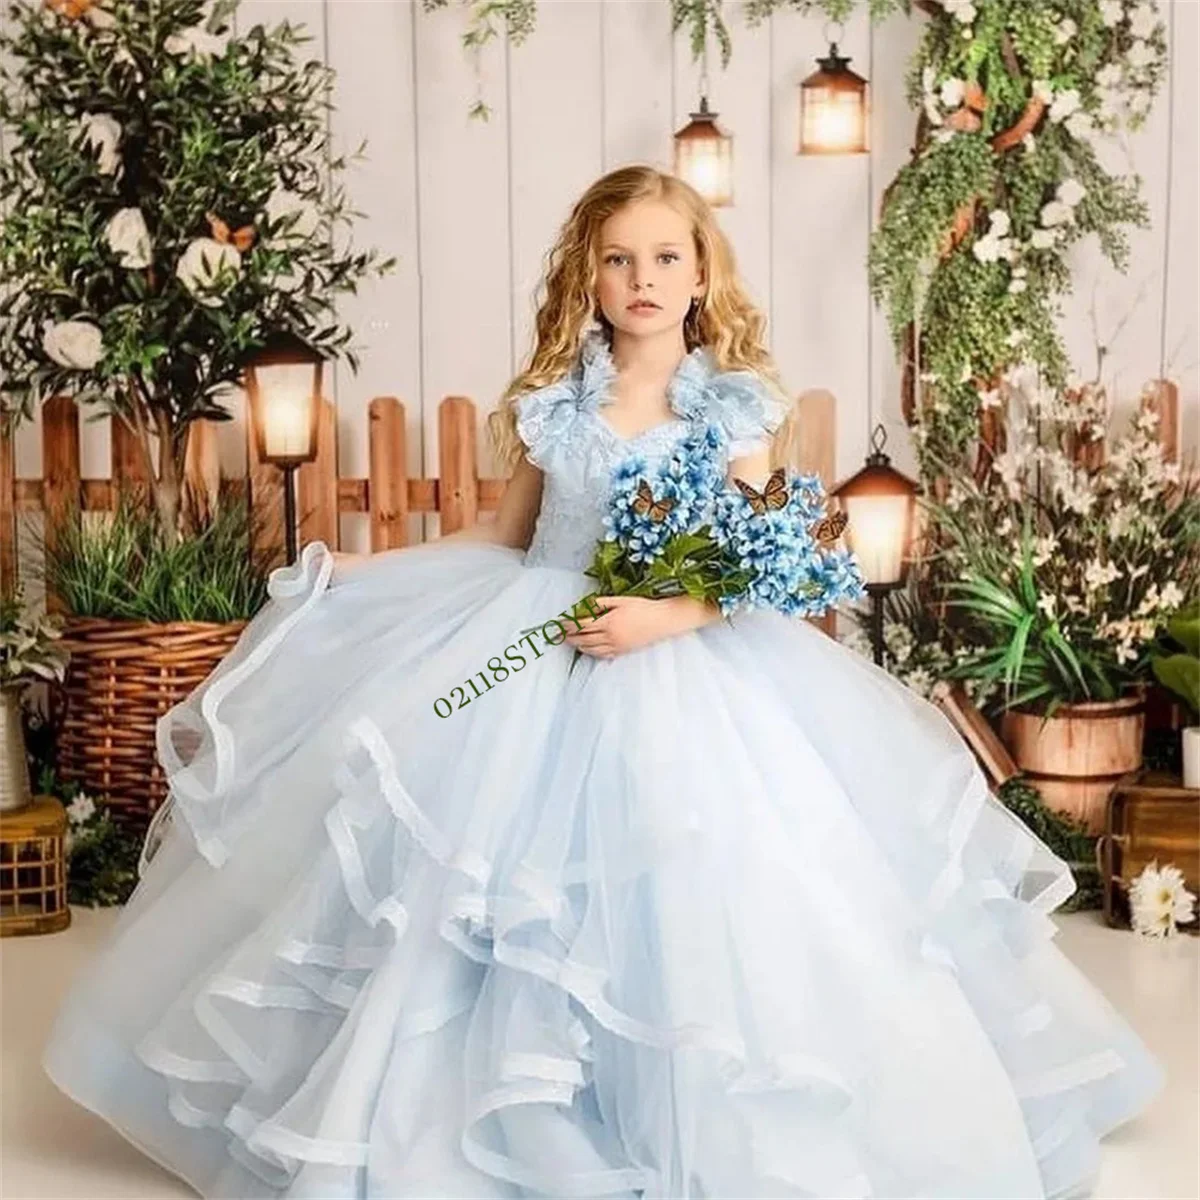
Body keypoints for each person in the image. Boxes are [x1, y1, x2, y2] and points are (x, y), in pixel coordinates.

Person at [43, 165, 1164, 1200]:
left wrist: (669, 614)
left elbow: (761, 562)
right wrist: (360, 574)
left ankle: (689, 1112)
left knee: (698, 880)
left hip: (689, 668)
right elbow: (509, 537)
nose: (643, 280)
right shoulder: (557, 402)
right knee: (477, 881)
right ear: (587, 274)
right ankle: (496, 1116)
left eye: (666, 258)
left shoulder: (728, 406)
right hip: (533, 646)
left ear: (702, 272)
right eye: (619, 259)